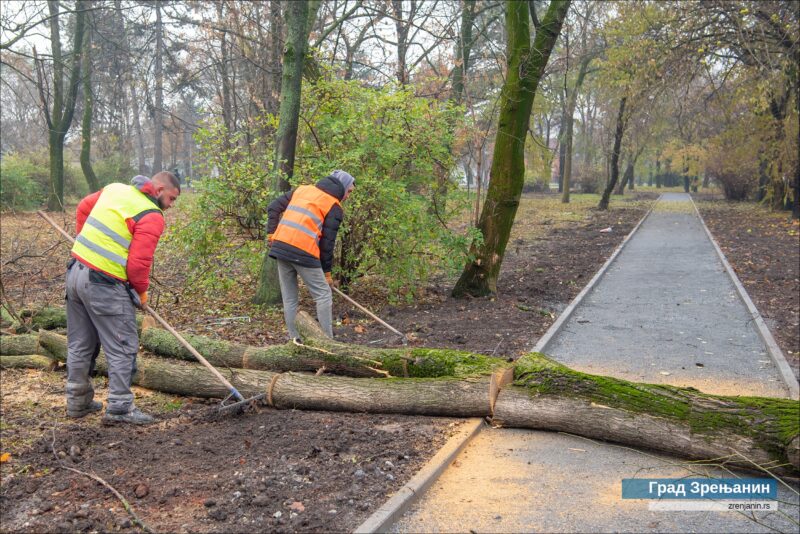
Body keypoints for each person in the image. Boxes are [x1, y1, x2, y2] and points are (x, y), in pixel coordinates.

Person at [65, 172, 180, 425]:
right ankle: (119, 408)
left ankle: (77, 402)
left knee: (80, 344)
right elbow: (139, 265)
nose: (171, 205)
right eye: (171, 198)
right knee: (123, 345)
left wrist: (85, 241)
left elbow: (84, 206)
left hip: (75, 273)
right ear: (159, 188)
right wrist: (141, 292)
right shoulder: (151, 215)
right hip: (103, 284)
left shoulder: (115, 188)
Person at [267, 170, 355, 340]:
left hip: (280, 247)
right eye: (349, 191)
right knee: (323, 295)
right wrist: (327, 274)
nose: (349, 196)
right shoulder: (334, 206)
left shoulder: (303, 189)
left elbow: (273, 207)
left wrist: (271, 235)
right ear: (342, 186)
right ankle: (327, 342)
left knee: (289, 298)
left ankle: (295, 341)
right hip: (304, 252)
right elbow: (327, 245)